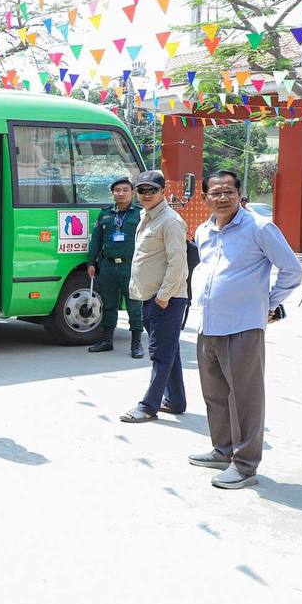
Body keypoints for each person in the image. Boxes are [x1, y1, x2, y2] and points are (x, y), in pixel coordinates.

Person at [188, 170, 302, 489]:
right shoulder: (203, 231)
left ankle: (245, 466)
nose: (223, 197)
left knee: (245, 398)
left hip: (243, 326)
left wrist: (269, 304)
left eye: (229, 191)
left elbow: (292, 270)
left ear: (239, 193)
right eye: (215, 192)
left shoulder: (259, 227)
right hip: (208, 324)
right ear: (205, 198)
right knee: (215, 394)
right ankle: (222, 450)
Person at [121, 170, 190, 423]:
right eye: (142, 190)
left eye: (153, 190)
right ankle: (175, 401)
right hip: (150, 296)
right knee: (169, 351)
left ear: (163, 192)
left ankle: (148, 406)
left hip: (166, 299)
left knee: (160, 355)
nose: (147, 194)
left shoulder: (170, 221)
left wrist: (163, 296)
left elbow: (178, 264)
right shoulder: (145, 216)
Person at [85, 177, 144, 358]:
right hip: (108, 266)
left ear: (132, 192)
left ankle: (136, 344)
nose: (121, 193)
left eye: (125, 190)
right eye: (117, 190)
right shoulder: (105, 214)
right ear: (112, 193)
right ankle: (107, 340)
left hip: (131, 267)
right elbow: (96, 239)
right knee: (108, 304)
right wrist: (91, 262)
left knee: (134, 306)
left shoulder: (140, 214)